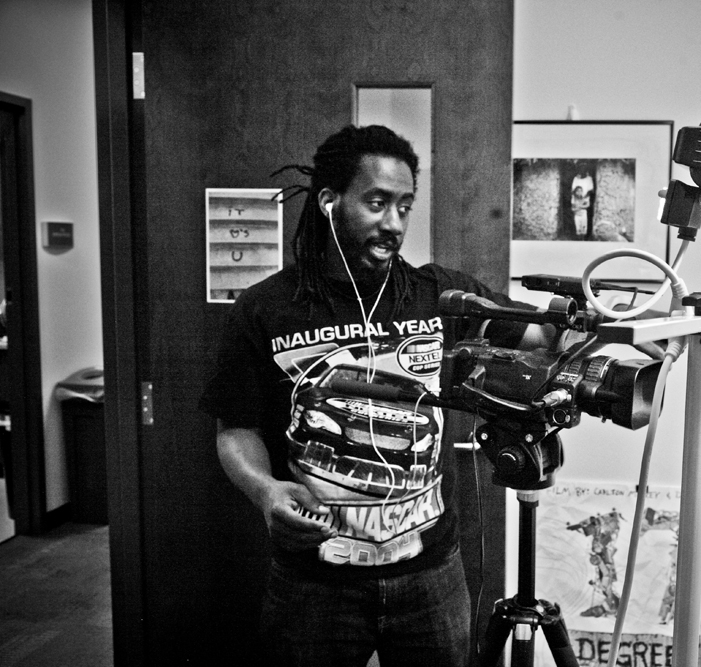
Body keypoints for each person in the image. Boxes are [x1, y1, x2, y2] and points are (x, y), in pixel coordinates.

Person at [199, 125, 550, 666]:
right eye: (377, 203)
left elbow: (542, 334)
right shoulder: (266, 307)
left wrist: (620, 324)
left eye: (405, 206)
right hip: (314, 583)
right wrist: (264, 490)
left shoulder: (442, 295)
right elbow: (235, 429)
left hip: (430, 577)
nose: (394, 223)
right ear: (329, 201)